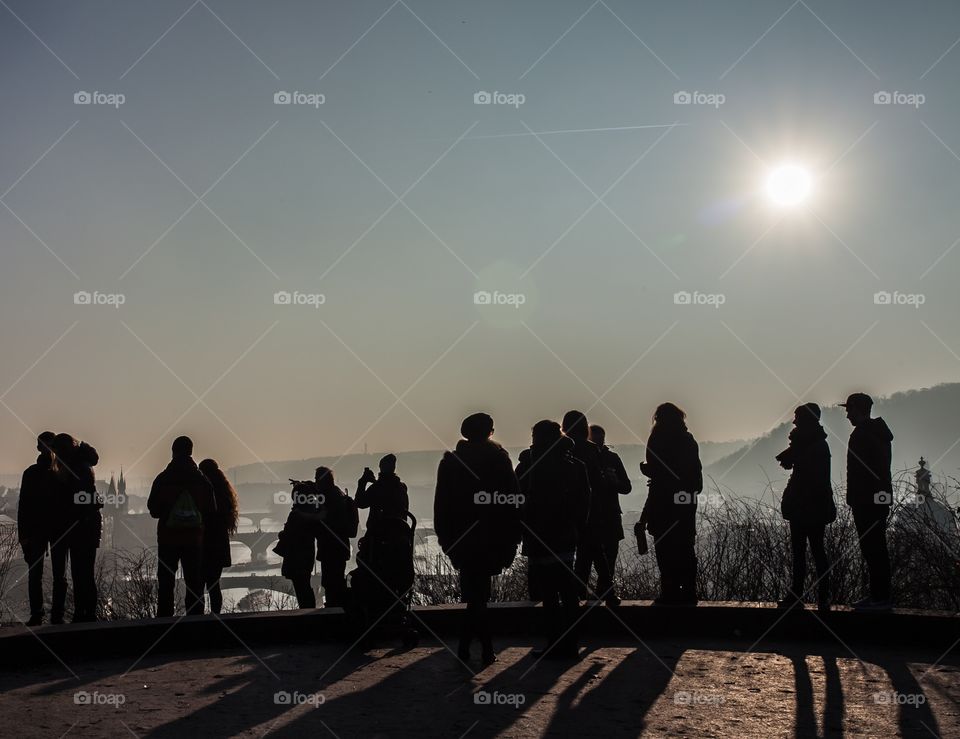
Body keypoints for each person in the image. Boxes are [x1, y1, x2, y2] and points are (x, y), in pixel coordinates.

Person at [434, 412, 521, 666]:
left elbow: (442, 506)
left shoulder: (451, 463)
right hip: (493, 538)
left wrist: (446, 540)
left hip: (462, 539)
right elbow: (512, 500)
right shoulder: (499, 460)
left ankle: (470, 647)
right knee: (479, 595)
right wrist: (513, 537)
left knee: (475, 595)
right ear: (489, 432)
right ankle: (482, 649)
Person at [516, 420, 590, 658]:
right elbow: (584, 502)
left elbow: (516, 497)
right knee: (568, 592)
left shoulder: (530, 464)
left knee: (548, 594)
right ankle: (571, 643)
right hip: (566, 535)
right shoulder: (575, 465)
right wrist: (577, 527)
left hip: (539, 535)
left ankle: (553, 642)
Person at [639, 403, 702, 606]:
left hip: (663, 502)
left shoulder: (657, 439)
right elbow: (693, 476)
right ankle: (689, 592)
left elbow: (660, 473)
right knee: (685, 548)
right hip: (685, 501)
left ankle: (670, 591)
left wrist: (651, 472)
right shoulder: (688, 440)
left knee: (665, 550)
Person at [775, 403, 836, 611]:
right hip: (810, 507)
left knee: (808, 552)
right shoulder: (814, 443)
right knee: (812, 552)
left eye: (797, 417)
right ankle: (819, 596)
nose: (793, 421)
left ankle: (803, 595)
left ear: (805, 420)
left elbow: (808, 478)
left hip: (807, 507)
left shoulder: (811, 446)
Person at [148, 436, 217, 617]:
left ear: (173, 452)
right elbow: (211, 510)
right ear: (191, 452)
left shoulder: (163, 479)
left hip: (168, 538)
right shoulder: (202, 480)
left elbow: (153, 510)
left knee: (166, 582)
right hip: (194, 539)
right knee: (194, 582)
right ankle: (195, 622)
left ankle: (164, 621)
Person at [842, 392, 894, 610]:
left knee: (873, 549)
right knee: (874, 548)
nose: (847, 415)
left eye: (849, 410)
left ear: (858, 410)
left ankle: (880, 597)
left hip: (867, 502)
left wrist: (859, 498)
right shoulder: (877, 433)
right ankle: (877, 595)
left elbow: (865, 473)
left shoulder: (863, 435)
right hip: (875, 500)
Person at [276, 467, 356, 609]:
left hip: (331, 549)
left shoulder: (328, 499)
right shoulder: (336, 494)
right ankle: (336, 609)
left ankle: (335, 611)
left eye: (316, 479)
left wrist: (301, 515)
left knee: (332, 584)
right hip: (337, 548)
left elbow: (320, 520)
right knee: (333, 582)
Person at [563, 411, 616, 605]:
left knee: (577, 556)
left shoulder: (563, 449)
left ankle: (577, 592)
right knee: (596, 552)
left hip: (568, 509)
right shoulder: (593, 450)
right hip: (593, 509)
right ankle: (605, 591)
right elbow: (599, 481)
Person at [53, 433, 102, 622]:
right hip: (85, 526)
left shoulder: (77, 468)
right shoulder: (82, 464)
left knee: (82, 573)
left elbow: (78, 500)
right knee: (83, 572)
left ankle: (85, 613)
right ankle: (84, 612)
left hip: (82, 526)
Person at [17, 432, 59, 626]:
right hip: (54, 530)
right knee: (56, 575)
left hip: (38, 531)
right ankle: (54, 615)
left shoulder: (33, 473)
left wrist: (24, 535)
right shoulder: (59, 473)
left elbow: (23, 506)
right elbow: (24, 505)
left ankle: (38, 614)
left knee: (36, 575)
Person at [589, 424, 632, 599]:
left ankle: (601, 591)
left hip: (603, 514)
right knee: (605, 555)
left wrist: (614, 482)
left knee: (606, 555)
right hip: (606, 514)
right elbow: (626, 487)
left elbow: (626, 487)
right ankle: (605, 591)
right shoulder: (611, 458)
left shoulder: (611, 458)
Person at [198, 459, 240, 615]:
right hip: (219, 543)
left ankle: (197, 618)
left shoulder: (203, 490)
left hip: (202, 543)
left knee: (198, 586)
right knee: (214, 585)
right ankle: (216, 616)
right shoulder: (224, 493)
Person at [356, 454, 409, 530]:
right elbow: (388, 488)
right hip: (399, 533)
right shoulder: (402, 488)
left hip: (378, 535)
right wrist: (375, 482)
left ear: (381, 468)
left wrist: (362, 482)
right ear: (394, 468)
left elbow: (360, 503)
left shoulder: (376, 489)